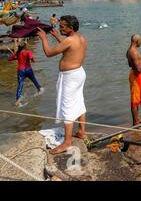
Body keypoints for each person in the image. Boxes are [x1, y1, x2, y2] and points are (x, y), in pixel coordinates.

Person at [36, 15, 87, 155]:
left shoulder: (69, 40)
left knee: (67, 106)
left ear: (71, 27)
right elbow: (69, 48)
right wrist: (58, 36)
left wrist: (44, 38)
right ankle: (82, 132)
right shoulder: (80, 38)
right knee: (79, 101)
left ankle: (67, 142)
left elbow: (48, 53)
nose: (60, 27)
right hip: (79, 73)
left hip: (70, 77)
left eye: (63, 26)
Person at [8, 41, 44, 107]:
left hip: (20, 71)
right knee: (34, 80)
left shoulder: (17, 53)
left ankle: (17, 100)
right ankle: (40, 89)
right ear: (25, 46)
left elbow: (9, 59)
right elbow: (31, 58)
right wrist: (32, 60)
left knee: (20, 85)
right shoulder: (28, 52)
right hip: (28, 69)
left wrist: (16, 57)